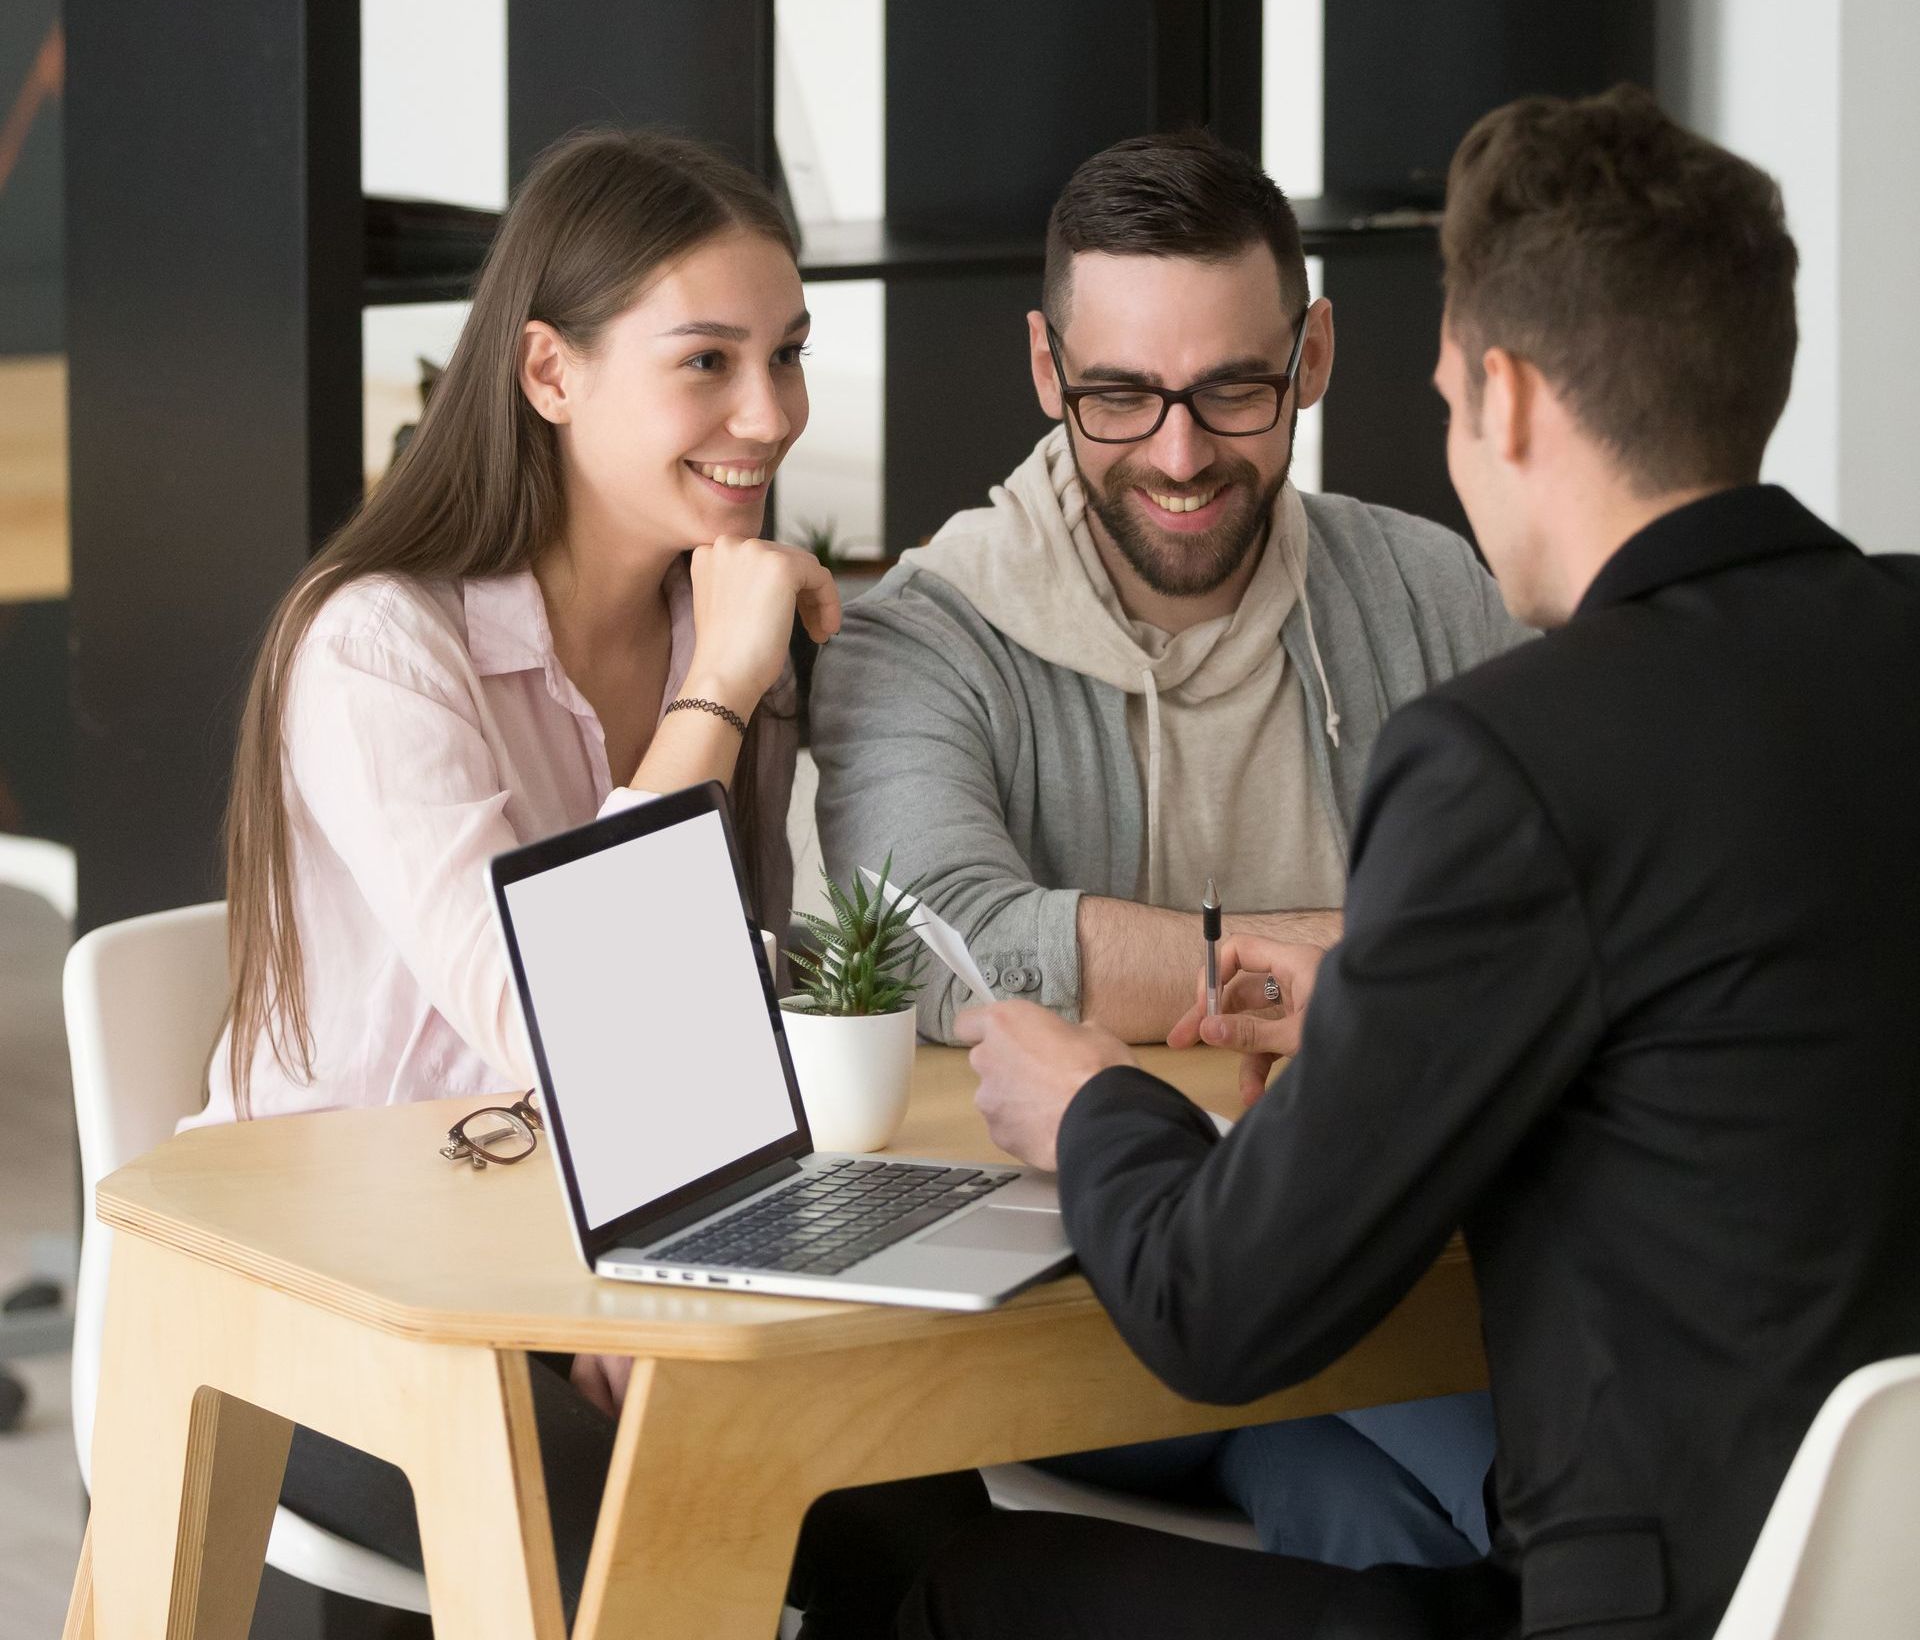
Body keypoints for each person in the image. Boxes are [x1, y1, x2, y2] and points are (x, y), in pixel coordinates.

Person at [913, 85, 1920, 1640]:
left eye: (1448, 398)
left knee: (936, 1586)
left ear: (1505, 401)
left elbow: (1218, 1307)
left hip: (1654, 1598)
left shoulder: (1520, 754)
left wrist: (1088, 1102)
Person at [189, 130, 987, 1634]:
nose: (771, 415)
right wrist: (726, 693)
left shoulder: (715, 614)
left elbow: (713, 1035)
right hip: (336, 1289)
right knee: (674, 1549)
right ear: (549, 374)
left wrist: (675, 1269)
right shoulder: (375, 645)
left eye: (789, 356)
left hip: (585, 1249)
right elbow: (584, 1025)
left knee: (917, 1500)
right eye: (707, 362)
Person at [811, 131, 1522, 1568]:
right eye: (1120, 398)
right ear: (1043, 371)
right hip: (1083, 1297)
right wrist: (1352, 952)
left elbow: (1535, 920)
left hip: (1369, 1256)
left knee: (1385, 1538)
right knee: (1542, 1480)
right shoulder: (921, 633)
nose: (1182, 456)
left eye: (1235, 390)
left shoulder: (1431, 588)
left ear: (1313, 354)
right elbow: (949, 939)